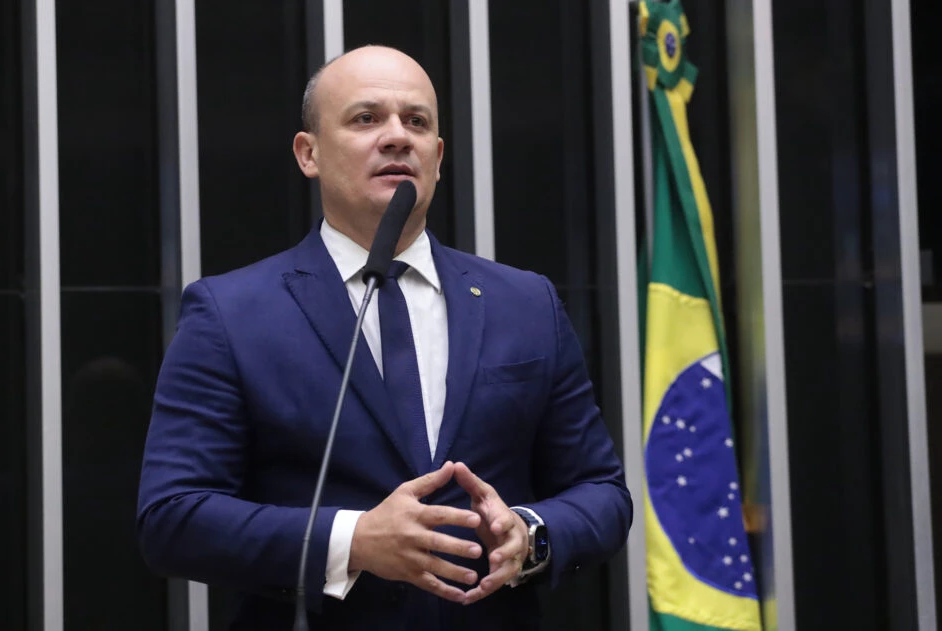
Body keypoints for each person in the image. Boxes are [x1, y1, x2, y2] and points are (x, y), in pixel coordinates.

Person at [137, 45, 632, 630]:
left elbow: (601, 491)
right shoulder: (231, 313)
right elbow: (173, 517)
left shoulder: (526, 304)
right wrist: (353, 541)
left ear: (438, 158)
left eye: (416, 121)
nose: (397, 136)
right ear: (309, 153)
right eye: (366, 118)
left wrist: (528, 535)